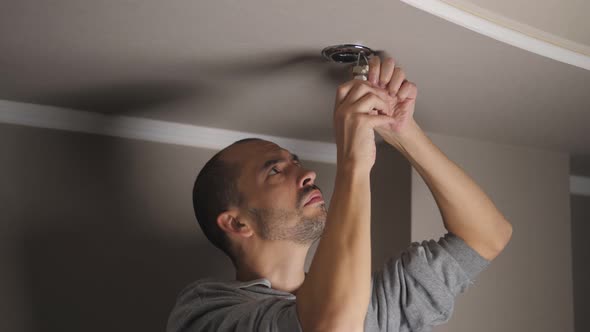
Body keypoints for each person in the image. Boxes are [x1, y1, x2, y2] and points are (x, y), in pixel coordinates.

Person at [166, 56, 513, 332]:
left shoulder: (371, 305)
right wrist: (353, 163)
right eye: (275, 170)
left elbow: (487, 235)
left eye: (296, 161)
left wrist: (404, 133)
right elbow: (332, 326)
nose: (307, 174)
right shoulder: (204, 313)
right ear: (237, 222)